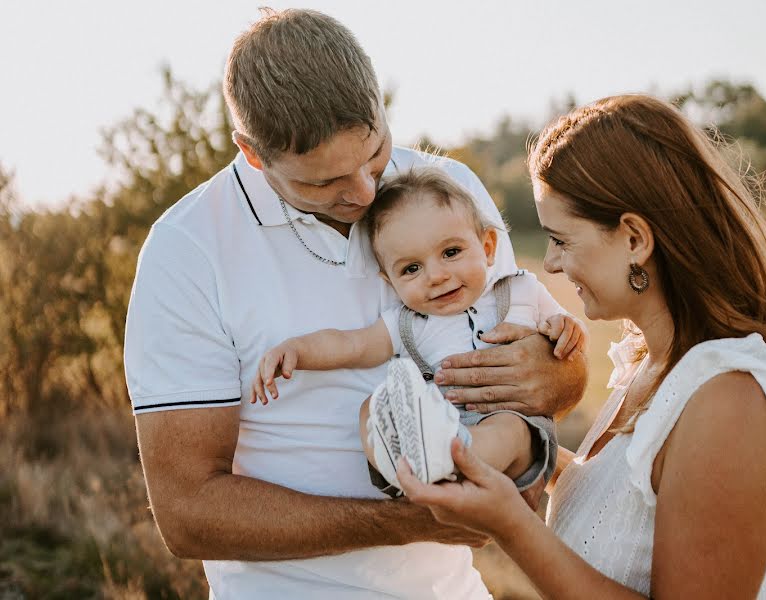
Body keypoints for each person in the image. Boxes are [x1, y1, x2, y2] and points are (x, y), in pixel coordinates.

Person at [122, 8, 586, 599]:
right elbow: (188, 512)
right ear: (253, 152)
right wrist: (414, 519)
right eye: (324, 183)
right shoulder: (187, 250)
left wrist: (555, 375)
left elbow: (555, 367)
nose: (366, 193)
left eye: (375, 155)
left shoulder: (447, 188)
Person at [398, 94, 766, 599]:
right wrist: (524, 452)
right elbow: (622, 503)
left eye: (561, 240)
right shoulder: (650, 367)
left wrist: (509, 524)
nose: (550, 264)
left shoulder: (730, 400)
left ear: (634, 239)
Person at [251, 167, 586, 494]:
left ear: (487, 249)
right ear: (390, 281)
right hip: (436, 424)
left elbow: (564, 333)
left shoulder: (521, 289)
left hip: (507, 427)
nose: (436, 276)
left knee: (510, 430)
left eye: (451, 252)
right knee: (372, 406)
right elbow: (350, 344)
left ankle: (453, 457)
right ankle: (407, 460)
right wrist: (297, 351)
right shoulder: (408, 322)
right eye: (412, 269)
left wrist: (563, 329)